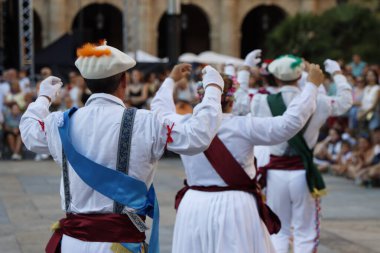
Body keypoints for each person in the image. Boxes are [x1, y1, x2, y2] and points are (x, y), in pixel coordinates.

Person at [20, 41, 224, 253]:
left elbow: (29, 133)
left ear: (87, 83)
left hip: (73, 244)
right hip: (120, 245)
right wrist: (213, 88)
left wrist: (43, 97)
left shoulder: (59, 122)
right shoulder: (146, 122)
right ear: (124, 81)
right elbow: (198, 136)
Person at [153, 50, 325, 253]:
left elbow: (159, 111)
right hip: (236, 206)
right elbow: (289, 123)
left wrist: (171, 80)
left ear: (200, 98)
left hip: (194, 204)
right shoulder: (244, 126)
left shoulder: (181, 124)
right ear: (231, 101)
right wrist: (312, 86)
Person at [251, 56, 352, 253]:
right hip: (302, 173)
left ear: (276, 79)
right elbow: (346, 102)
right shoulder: (319, 101)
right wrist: (338, 74)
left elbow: (235, 101)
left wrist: (246, 69)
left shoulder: (262, 101)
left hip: (275, 175)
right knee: (305, 232)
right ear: (300, 77)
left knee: (278, 231)